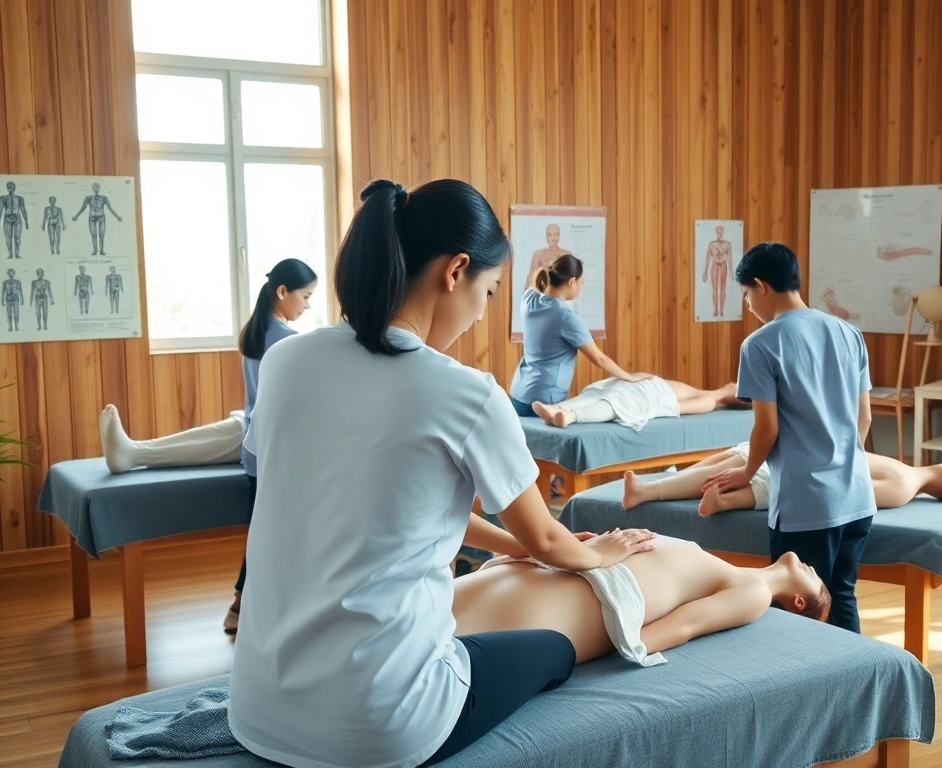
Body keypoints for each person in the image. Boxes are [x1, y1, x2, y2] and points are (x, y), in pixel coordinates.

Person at [226, 178, 658, 768]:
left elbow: (398, 509)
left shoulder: (286, 361)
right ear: (456, 271)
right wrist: (602, 553)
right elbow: (550, 537)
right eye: (489, 289)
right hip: (376, 728)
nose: (481, 313)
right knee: (554, 651)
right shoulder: (463, 392)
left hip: (254, 709)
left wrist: (514, 548)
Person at [97, 258, 317, 632]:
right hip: (271, 449)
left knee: (262, 528)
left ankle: (244, 605)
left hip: (253, 444)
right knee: (269, 532)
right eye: (306, 296)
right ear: (283, 292)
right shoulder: (288, 342)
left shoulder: (255, 333)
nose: (308, 305)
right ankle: (241, 605)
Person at [704, 242, 875, 634]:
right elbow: (863, 416)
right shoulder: (849, 333)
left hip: (808, 503)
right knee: (841, 596)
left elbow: (766, 428)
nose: (748, 305)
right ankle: (854, 689)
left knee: (799, 613)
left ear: (761, 286)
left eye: (746, 295)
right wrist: (844, 461)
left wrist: (745, 474)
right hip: (858, 495)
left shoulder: (761, 344)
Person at [454, 534, 830, 664]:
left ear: (799, 602)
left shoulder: (756, 593)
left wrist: (621, 644)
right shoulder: (728, 569)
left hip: (578, 599)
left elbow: (686, 625)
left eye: (819, 586)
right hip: (556, 573)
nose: (815, 570)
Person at [622, 448, 942, 516]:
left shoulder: (903, 489)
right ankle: (671, 482)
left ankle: (646, 492)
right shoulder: (908, 472)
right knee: (731, 456)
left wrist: (797, 481)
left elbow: (844, 491)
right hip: (809, 454)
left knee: (736, 469)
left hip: (807, 470)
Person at [508, 253, 650, 417]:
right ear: (571, 282)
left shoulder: (529, 298)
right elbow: (599, 358)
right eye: (581, 281)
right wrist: (630, 377)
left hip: (518, 394)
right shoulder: (566, 316)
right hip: (545, 400)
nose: (581, 286)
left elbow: (535, 286)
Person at [531, 378, 740, 430]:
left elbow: (672, 409)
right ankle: (559, 408)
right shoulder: (704, 393)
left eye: (738, 387)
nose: (734, 383)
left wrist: (649, 405)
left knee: (620, 402)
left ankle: (570, 415)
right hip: (645, 386)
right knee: (604, 389)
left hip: (651, 396)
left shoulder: (708, 401)